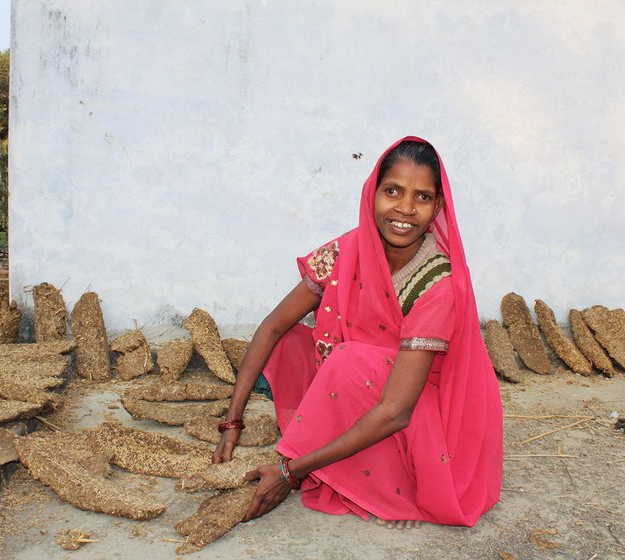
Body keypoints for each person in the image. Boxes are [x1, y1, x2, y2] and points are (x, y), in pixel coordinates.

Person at [212, 136, 503, 529]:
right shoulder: (347, 249)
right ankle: (321, 445)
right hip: (356, 388)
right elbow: (272, 326)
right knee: (290, 341)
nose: (404, 209)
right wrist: (232, 424)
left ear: (438, 207)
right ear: (373, 193)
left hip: (416, 416)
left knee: (349, 358)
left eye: (422, 197)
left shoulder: (438, 284)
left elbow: (396, 411)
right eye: (393, 191)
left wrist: (291, 472)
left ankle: (383, 478)